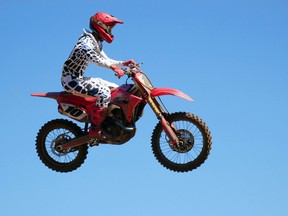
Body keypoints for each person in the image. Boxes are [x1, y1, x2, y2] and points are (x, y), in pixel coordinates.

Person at [61, 12, 135, 138]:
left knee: (115, 89)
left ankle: (109, 120)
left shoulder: (96, 41)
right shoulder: (86, 41)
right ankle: (95, 129)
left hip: (79, 78)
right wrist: (113, 68)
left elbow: (106, 59)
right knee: (104, 92)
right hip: (71, 80)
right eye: (109, 28)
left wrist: (123, 63)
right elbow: (93, 57)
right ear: (100, 26)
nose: (110, 31)